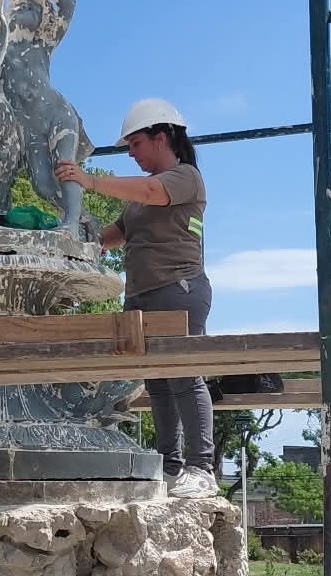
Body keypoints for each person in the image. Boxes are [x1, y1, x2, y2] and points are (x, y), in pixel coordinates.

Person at [57, 99, 217, 498]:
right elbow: (116, 234)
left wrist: (89, 180)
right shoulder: (139, 200)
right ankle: (170, 467)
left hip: (178, 288)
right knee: (157, 384)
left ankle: (202, 468)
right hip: (143, 295)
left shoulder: (185, 178)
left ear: (161, 138)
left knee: (184, 375)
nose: (131, 153)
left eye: (136, 144)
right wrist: (82, 238)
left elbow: (150, 191)